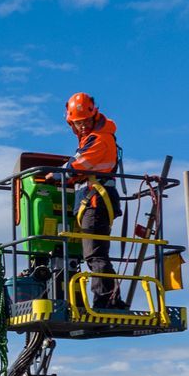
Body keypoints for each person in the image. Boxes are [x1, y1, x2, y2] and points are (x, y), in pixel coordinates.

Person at [60, 92, 122, 310]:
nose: (82, 126)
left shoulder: (100, 139)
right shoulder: (92, 139)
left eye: (85, 121)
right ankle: (108, 299)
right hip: (92, 201)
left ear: (93, 117)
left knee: (95, 253)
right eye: (78, 123)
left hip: (96, 201)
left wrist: (58, 174)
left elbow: (77, 166)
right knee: (93, 253)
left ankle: (107, 301)